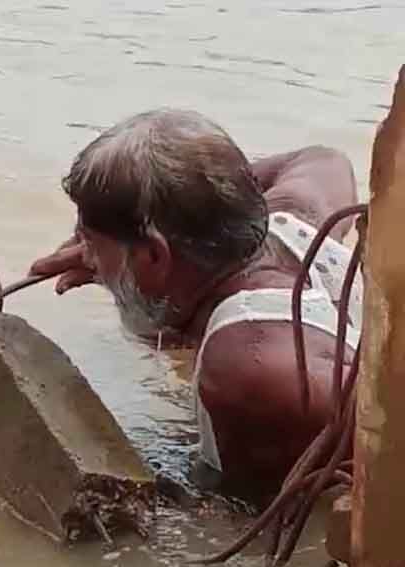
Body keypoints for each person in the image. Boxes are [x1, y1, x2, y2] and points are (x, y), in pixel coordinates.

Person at [27, 108, 361, 504]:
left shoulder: (247, 369)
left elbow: (239, 517)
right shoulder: (295, 221)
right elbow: (325, 160)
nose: (89, 258)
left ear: (154, 256)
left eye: (93, 244)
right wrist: (193, 208)